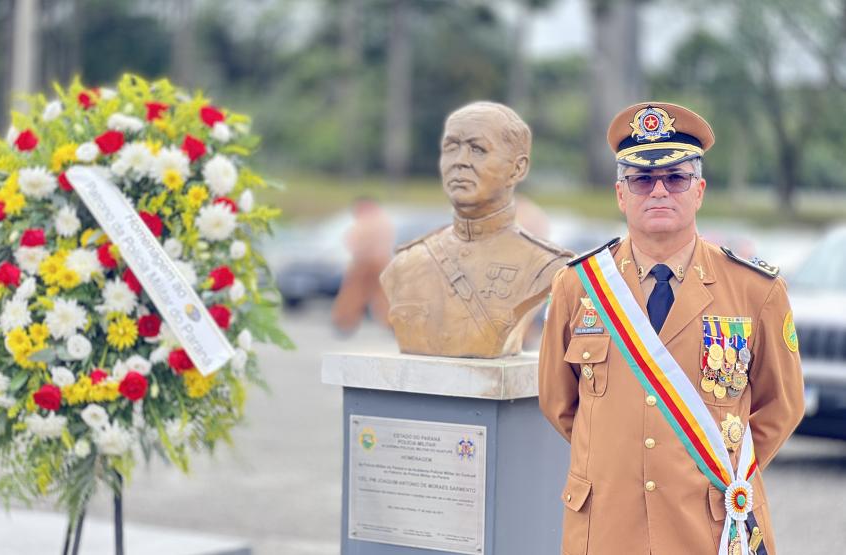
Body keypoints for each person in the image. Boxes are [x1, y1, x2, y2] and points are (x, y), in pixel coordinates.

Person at [537, 102, 804, 555]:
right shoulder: (576, 286)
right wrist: (619, 453)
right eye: (641, 180)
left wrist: (723, 467)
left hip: (709, 523)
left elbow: (783, 406)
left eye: (675, 178)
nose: (658, 191)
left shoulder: (756, 289)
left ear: (699, 190)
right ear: (621, 195)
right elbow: (559, 403)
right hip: (607, 524)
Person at [380, 101, 571, 358]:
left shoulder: (548, 267)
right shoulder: (405, 264)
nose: (460, 162)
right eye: (451, 147)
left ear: (517, 169)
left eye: (478, 149)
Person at [331, 197, 394, 333]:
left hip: (363, 261)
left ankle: (343, 320)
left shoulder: (364, 221)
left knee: (353, 292)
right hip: (382, 261)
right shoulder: (383, 220)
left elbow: (353, 240)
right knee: (382, 294)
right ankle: (391, 321)